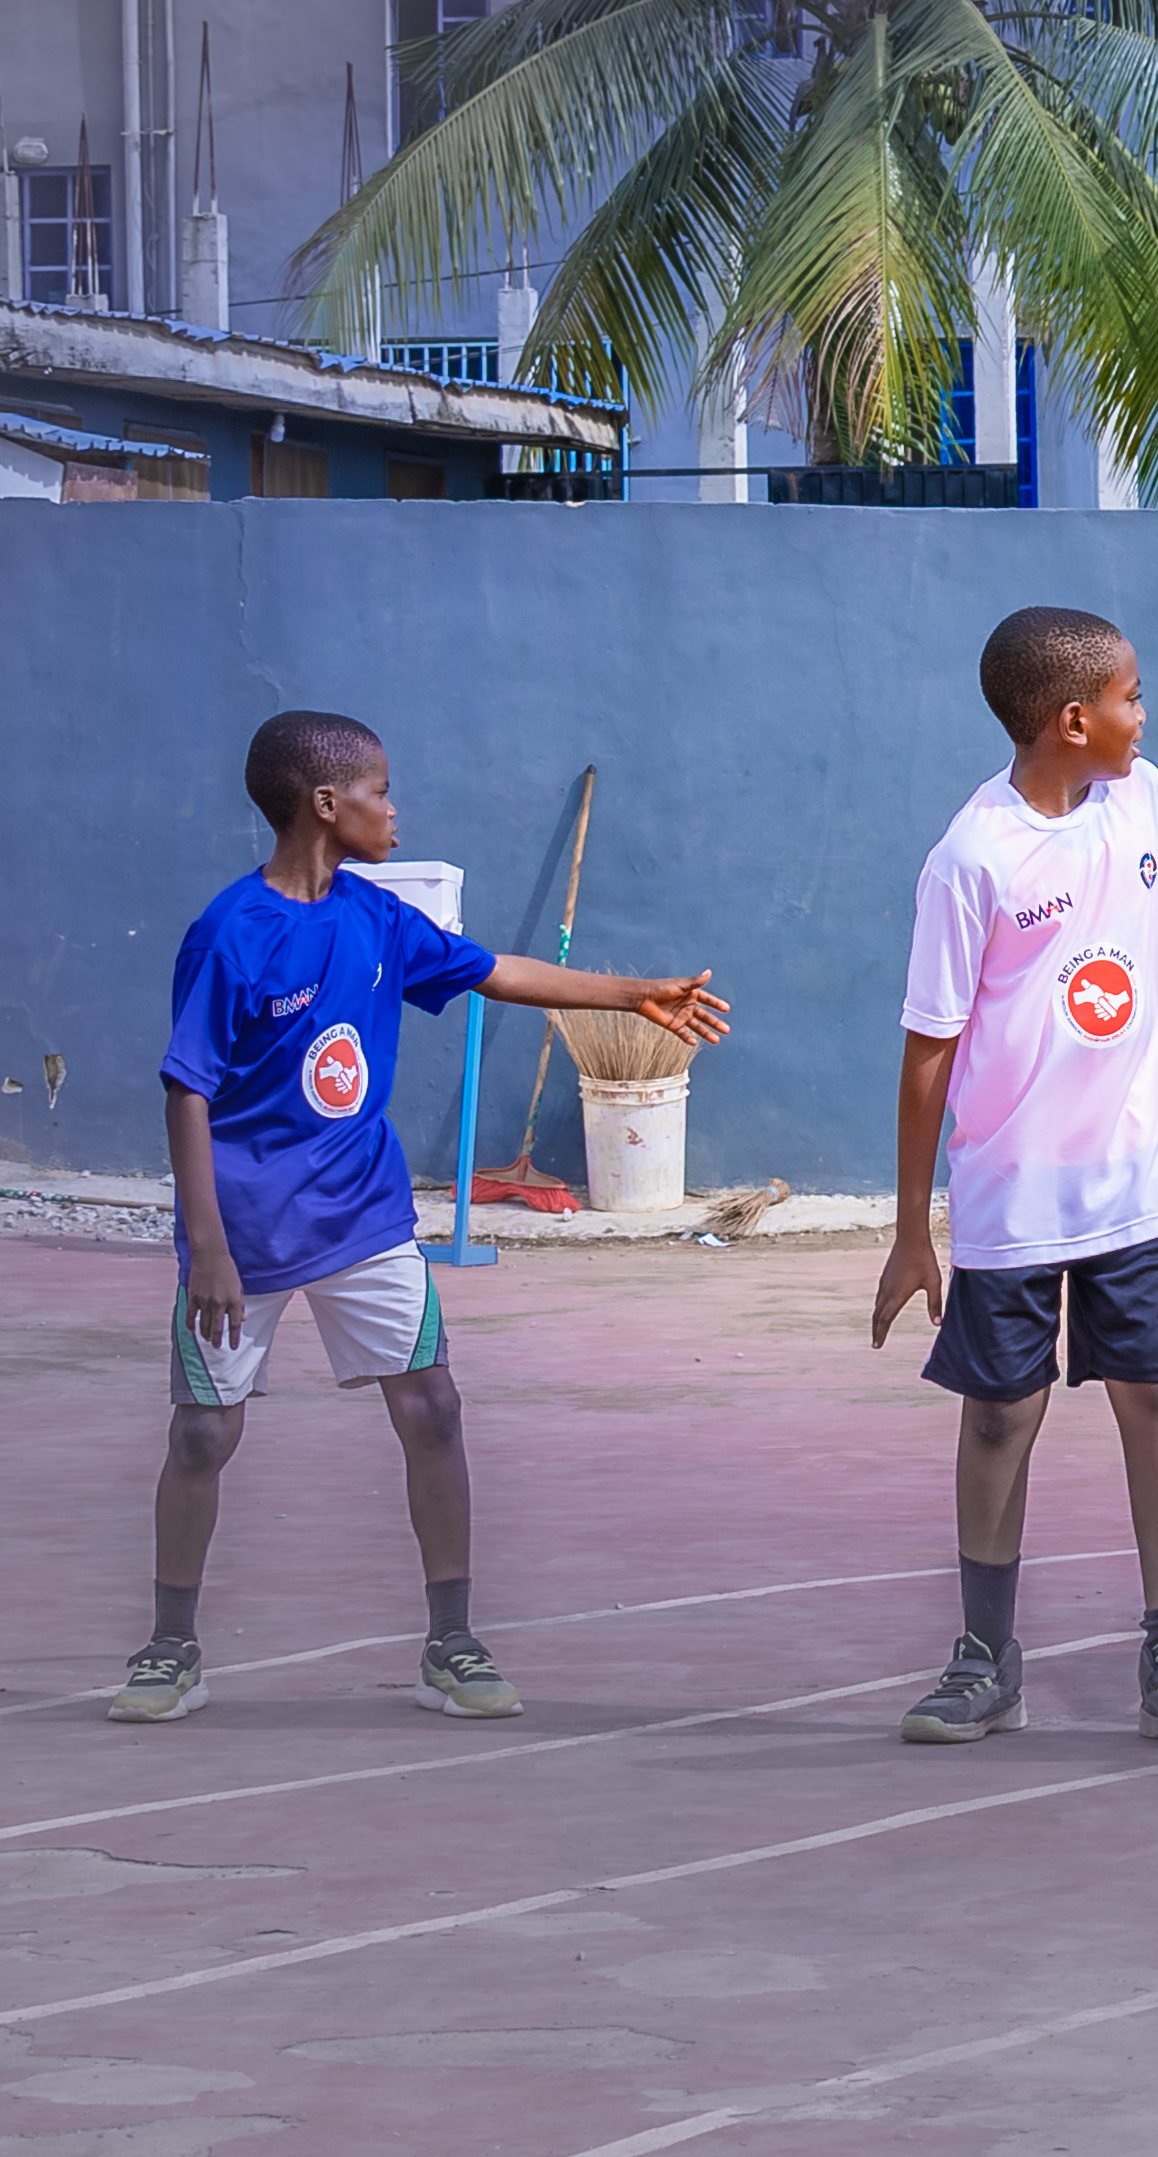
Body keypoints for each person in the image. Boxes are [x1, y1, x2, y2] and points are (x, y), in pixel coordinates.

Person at [117, 710, 730, 1725]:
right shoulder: (232, 931)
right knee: (201, 1434)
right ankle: (169, 1645)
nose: (394, 808)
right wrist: (211, 1245)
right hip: (249, 1228)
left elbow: (493, 968)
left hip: (362, 1212)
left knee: (432, 1408)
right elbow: (188, 1088)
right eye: (380, 790)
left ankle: (451, 1642)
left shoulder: (377, 917)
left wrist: (629, 994)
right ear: (326, 803)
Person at [876, 607, 1158, 1752]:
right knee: (1000, 1414)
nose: (1148, 713)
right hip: (1012, 1193)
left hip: (1134, 1179)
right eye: (1133, 696)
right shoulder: (971, 858)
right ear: (1072, 719)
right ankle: (986, 1653)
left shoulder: (1143, 797)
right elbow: (928, 1050)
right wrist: (913, 1227)